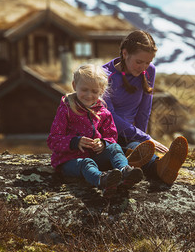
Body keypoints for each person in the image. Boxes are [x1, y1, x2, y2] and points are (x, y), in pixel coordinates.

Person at [47, 64, 155, 197]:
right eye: (84, 89)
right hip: (69, 161)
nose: (88, 95)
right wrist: (75, 142)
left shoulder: (104, 112)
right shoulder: (67, 109)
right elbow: (53, 140)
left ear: (102, 90)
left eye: (94, 91)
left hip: (95, 155)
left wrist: (103, 143)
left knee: (115, 147)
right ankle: (102, 180)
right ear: (75, 85)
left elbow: (111, 136)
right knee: (86, 163)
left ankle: (125, 171)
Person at [102, 30, 188, 185]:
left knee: (138, 149)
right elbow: (109, 115)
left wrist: (144, 142)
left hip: (131, 134)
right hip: (107, 133)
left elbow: (144, 109)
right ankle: (154, 165)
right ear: (125, 53)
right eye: (139, 62)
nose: (143, 67)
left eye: (147, 62)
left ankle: (162, 167)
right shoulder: (104, 75)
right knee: (122, 150)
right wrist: (145, 138)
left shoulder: (149, 71)